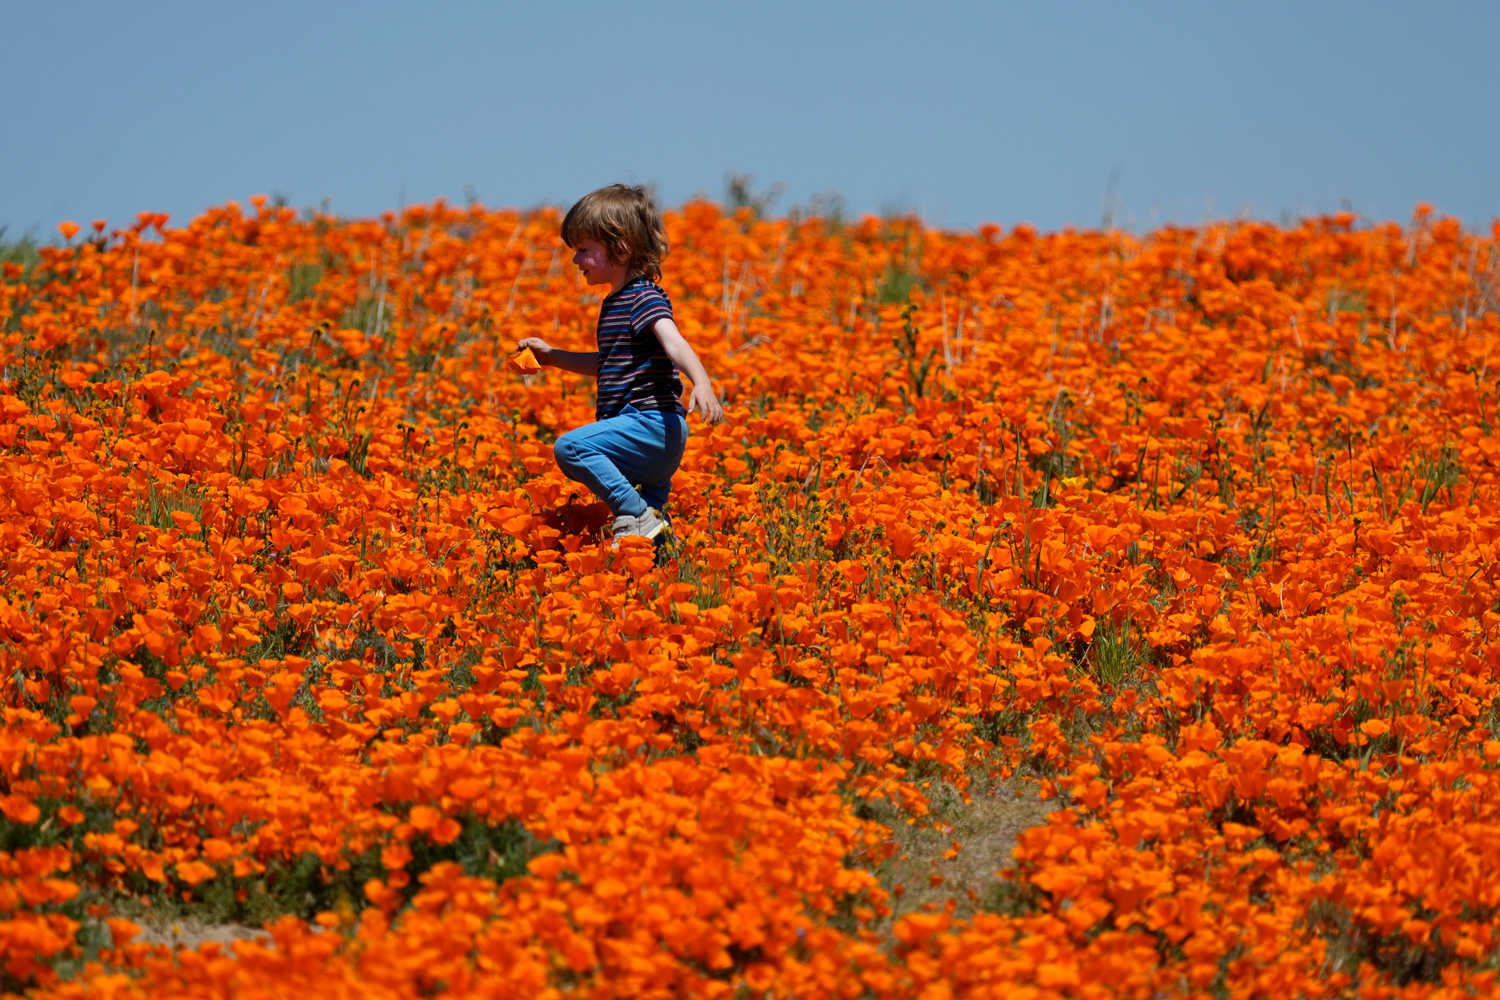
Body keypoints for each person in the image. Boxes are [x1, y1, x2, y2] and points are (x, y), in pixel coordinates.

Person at [516, 184, 725, 544]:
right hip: (658, 435)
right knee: (648, 543)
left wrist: (701, 382)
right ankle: (661, 558)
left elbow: (674, 340)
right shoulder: (616, 302)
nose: (575, 260)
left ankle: (636, 513)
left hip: (649, 424)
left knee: (571, 448)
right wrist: (552, 357)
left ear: (622, 249)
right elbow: (609, 363)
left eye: (583, 250)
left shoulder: (642, 296)